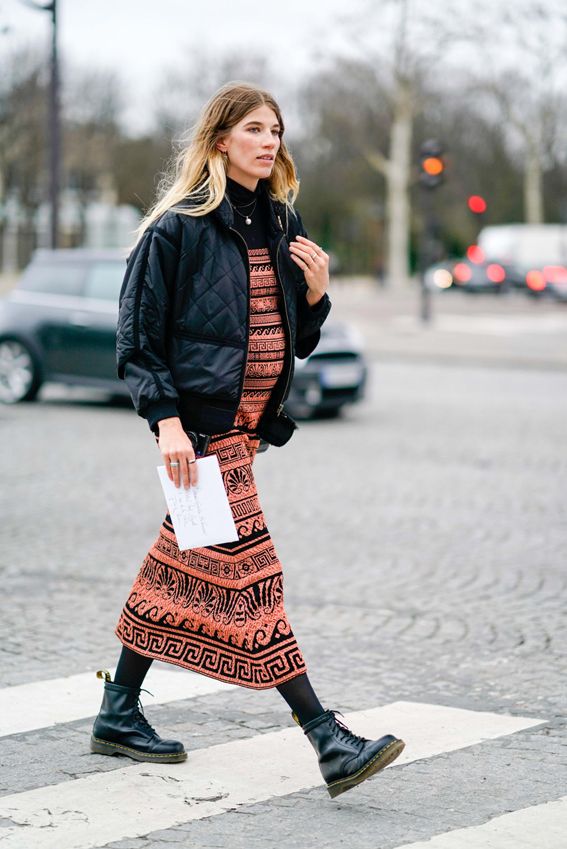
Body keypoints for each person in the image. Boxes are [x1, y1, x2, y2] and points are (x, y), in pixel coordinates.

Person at [90, 81, 405, 798]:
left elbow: (294, 335)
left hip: (246, 433)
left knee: (174, 575)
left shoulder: (279, 222)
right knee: (254, 581)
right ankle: (326, 737)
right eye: (255, 129)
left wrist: (317, 295)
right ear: (220, 139)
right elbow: (137, 342)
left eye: (276, 130)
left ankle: (117, 710)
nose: (269, 142)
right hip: (200, 436)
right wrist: (167, 423)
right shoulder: (175, 229)